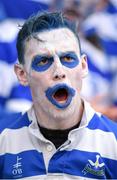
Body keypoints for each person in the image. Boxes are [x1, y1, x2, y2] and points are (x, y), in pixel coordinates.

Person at [0, 11, 117, 179]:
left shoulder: (113, 143)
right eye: (43, 61)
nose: (59, 71)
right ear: (22, 74)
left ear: (83, 66)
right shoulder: (3, 140)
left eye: (68, 58)